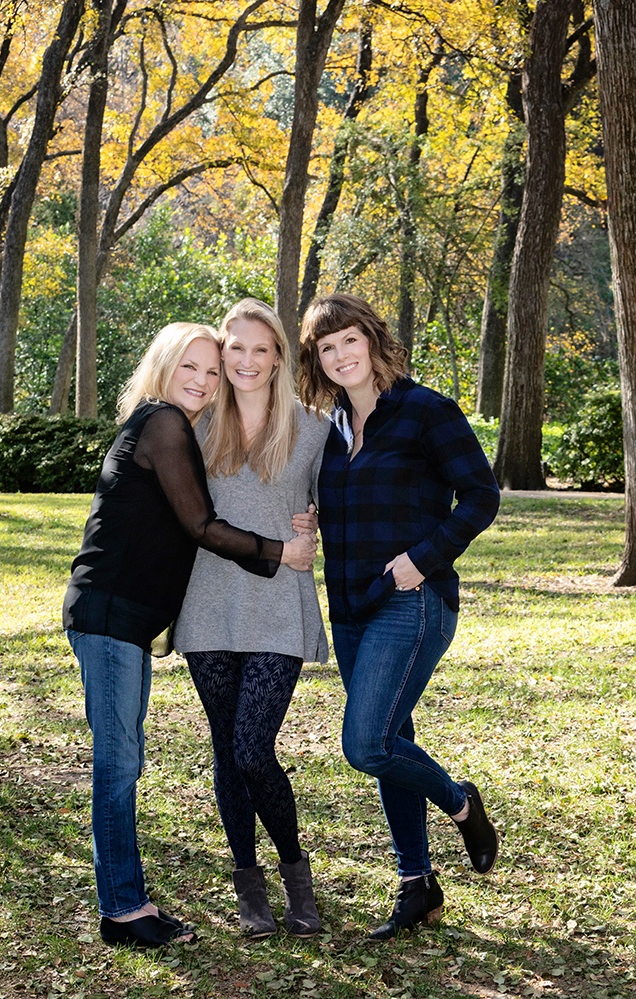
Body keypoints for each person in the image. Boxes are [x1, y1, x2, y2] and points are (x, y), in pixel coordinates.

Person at [63, 322, 316, 951]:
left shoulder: (173, 424)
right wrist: (281, 550)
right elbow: (201, 524)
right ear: (164, 368)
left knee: (131, 760)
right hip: (109, 614)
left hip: (126, 621)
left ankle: (129, 901)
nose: (203, 381)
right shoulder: (165, 424)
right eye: (191, 368)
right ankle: (123, 909)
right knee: (119, 765)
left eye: (211, 369)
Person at [298, 293, 501, 940]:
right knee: (392, 742)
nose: (338, 355)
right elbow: (346, 504)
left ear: (372, 339)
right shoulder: (327, 429)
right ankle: (416, 886)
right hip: (352, 607)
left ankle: (461, 802)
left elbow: (480, 496)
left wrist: (422, 557)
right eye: (325, 348)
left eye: (347, 340)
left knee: (367, 743)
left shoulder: (425, 411)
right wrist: (314, 519)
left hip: (412, 601)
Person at [174, 298, 330, 939]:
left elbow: (337, 497)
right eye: (234, 348)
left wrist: (317, 522)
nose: (245, 360)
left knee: (251, 746)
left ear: (278, 358)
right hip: (207, 603)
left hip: (278, 604)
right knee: (225, 751)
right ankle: (248, 882)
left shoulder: (315, 428)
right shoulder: (194, 422)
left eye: (259, 349)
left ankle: (295, 873)